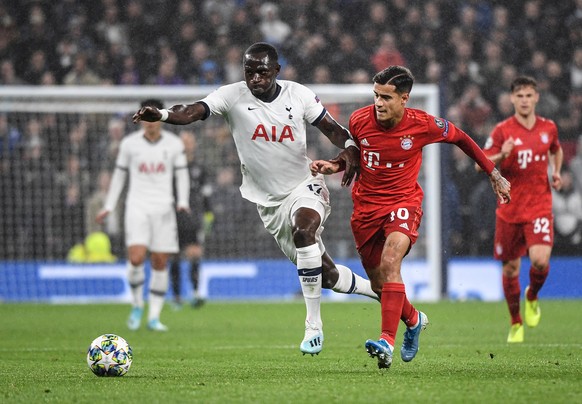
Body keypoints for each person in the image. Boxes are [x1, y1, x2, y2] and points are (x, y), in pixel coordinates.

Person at [132, 42, 378, 355]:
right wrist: (164, 114)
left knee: (304, 231)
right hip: (270, 204)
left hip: (305, 185)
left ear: (277, 71)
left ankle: (313, 326)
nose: (255, 78)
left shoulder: (298, 95)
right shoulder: (231, 95)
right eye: (249, 72)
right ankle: (385, 294)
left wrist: (349, 145)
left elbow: (330, 127)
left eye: (262, 72)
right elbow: (192, 111)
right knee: (326, 275)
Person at [311, 66, 511, 369]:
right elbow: (355, 158)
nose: (378, 102)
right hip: (366, 209)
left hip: (404, 203)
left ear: (404, 99)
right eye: (376, 95)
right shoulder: (359, 120)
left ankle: (386, 342)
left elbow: (462, 138)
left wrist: (493, 172)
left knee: (392, 261)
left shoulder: (423, 124)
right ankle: (414, 320)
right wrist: (334, 166)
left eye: (386, 97)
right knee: (380, 284)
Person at [478, 76, 563, 343]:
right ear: (512, 99)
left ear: (536, 97)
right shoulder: (503, 130)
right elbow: (480, 163)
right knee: (511, 270)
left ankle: (532, 296)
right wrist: (502, 155)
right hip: (509, 208)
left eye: (529, 95)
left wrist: (557, 171)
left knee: (539, 261)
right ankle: (515, 322)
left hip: (539, 206)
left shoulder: (549, 127)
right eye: (520, 96)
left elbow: (556, 150)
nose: (525, 100)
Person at [97, 99, 190, 332]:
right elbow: (119, 176)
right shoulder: (129, 144)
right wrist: (108, 205)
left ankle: (154, 316)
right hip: (137, 206)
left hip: (164, 208)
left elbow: (182, 175)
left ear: (159, 118)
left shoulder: (174, 143)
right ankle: (137, 304)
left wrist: (183, 201)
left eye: (153, 118)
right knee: (136, 258)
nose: (150, 124)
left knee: (160, 261)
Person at [170, 130, 214, 309]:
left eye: (189, 141)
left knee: (195, 254)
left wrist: (209, 214)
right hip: (173, 217)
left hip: (194, 218)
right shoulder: (171, 167)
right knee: (174, 257)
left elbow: (206, 195)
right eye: (183, 141)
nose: (186, 144)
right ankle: (177, 297)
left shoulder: (200, 168)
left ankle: (195, 293)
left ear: (194, 144)